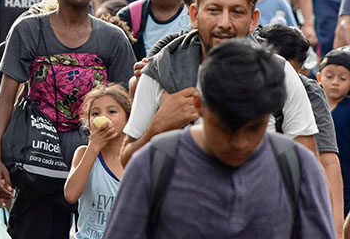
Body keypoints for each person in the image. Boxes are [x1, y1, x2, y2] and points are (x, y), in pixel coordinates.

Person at [105, 39, 335, 239]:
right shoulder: (152, 164)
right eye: (227, 128)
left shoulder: (298, 167)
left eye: (253, 128)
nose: (240, 143)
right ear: (199, 106)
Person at [0, 0, 136, 239]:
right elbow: (6, 97)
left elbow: (127, 107)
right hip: (36, 161)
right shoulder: (29, 30)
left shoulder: (112, 39)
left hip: (94, 162)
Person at [119, 0, 319, 167]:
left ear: (253, 20)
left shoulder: (279, 73)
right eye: (214, 10)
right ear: (195, 16)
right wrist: (158, 128)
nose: (224, 23)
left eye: (237, 12)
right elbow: (127, 161)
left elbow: (305, 166)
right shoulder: (162, 69)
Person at [256, 24, 344, 236]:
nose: (286, 81)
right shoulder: (242, 82)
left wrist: (336, 228)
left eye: (292, 72)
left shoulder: (309, 91)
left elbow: (328, 159)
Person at [64, 84, 131, 239]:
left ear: (128, 118)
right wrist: (93, 147)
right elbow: (71, 195)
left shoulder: (136, 156)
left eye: (112, 111)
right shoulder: (83, 153)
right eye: (95, 113)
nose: (103, 117)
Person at [318, 48, 350, 219]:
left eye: (343, 78)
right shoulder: (312, 107)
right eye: (329, 76)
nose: (335, 82)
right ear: (318, 77)